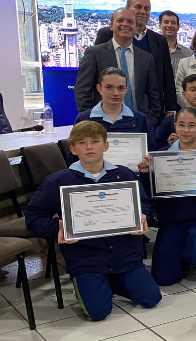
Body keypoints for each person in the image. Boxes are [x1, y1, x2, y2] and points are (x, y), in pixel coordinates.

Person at [24, 121, 160, 321]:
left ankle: (109, 282)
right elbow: (33, 216)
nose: (89, 147)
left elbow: (144, 204)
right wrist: (57, 229)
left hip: (125, 254)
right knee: (97, 313)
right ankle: (96, 282)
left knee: (151, 298)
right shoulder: (58, 181)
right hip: (86, 257)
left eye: (95, 141)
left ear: (105, 145)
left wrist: (143, 217)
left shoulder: (124, 174)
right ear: (73, 149)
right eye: (82, 142)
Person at [137, 108, 196, 286]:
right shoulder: (161, 156)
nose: (186, 130)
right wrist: (146, 174)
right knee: (164, 279)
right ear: (175, 126)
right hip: (171, 220)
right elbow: (153, 195)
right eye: (181, 125)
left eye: (191, 125)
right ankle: (182, 253)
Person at [75, 8, 161, 126]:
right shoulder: (94, 53)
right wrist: (90, 121)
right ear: (111, 26)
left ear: (136, 28)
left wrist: (150, 121)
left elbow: (153, 94)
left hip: (137, 125)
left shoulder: (146, 58)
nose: (125, 24)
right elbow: (82, 90)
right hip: (102, 124)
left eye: (130, 22)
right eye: (120, 20)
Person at [95, 0, 177, 116]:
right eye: (138, 7)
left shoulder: (159, 40)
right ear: (128, 8)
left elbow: (167, 77)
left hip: (147, 113)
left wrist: (170, 109)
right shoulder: (106, 34)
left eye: (147, 8)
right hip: (108, 112)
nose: (143, 11)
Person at [74, 67, 154, 152]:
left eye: (120, 88)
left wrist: (146, 161)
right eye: (109, 87)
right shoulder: (84, 119)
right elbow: (74, 156)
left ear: (126, 90)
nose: (115, 93)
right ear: (99, 88)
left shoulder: (140, 119)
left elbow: (151, 151)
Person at [155, 74, 196, 150]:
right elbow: (157, 151)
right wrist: (169, 145)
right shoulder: (169, 122)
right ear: (184, 94)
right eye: (192, 90)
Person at [158, 10, 194, 77]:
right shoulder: (152, 51)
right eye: (166, 22)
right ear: (159, 25)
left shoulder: (189, 54)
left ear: (178, 27)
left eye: (173, 23)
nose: (169, 25)